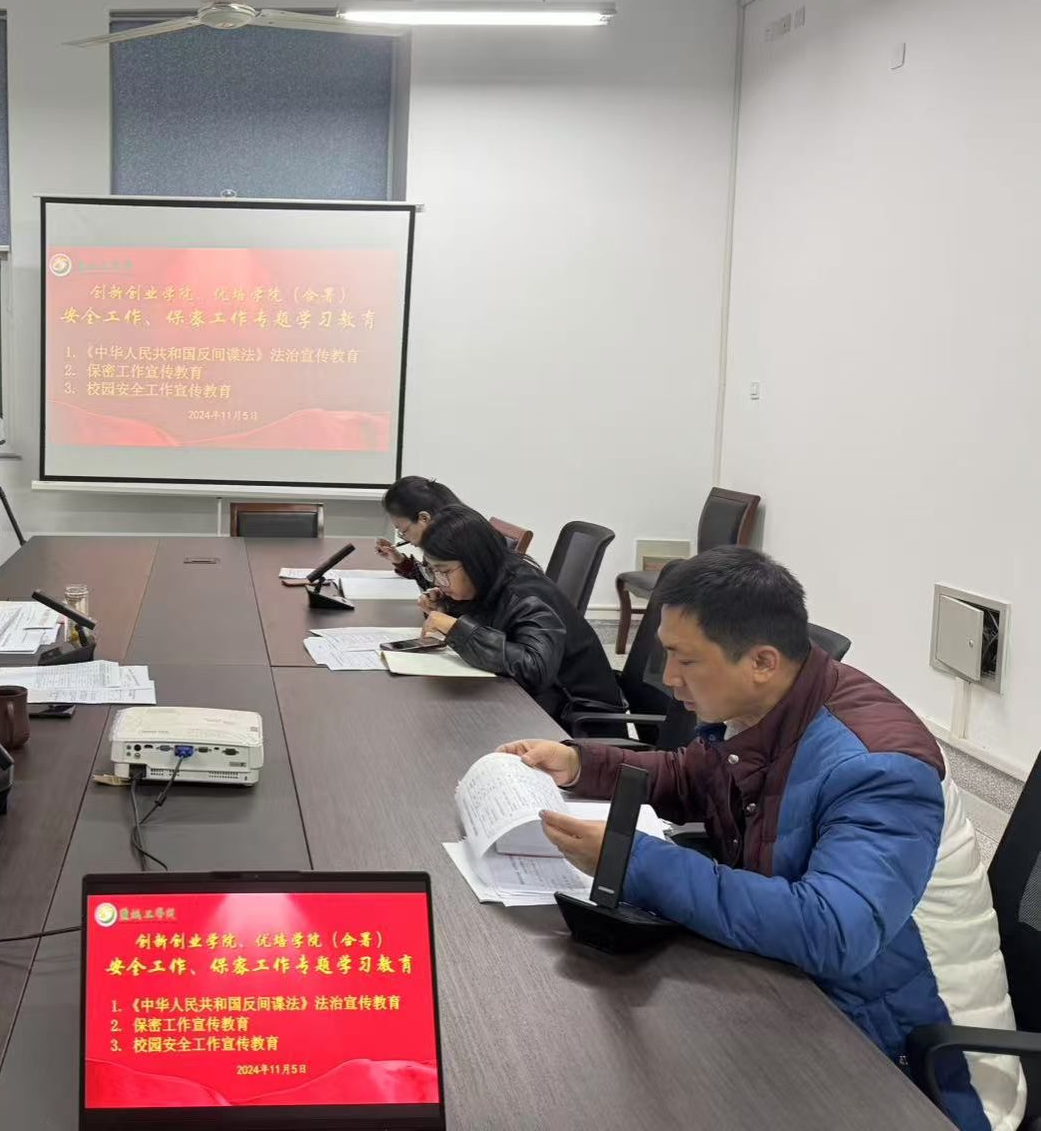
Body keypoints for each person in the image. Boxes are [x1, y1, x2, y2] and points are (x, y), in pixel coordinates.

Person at [501, 547, 1023, 1131]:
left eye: (685, 659)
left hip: (922, 1071)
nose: (667, 677)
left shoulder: (878, 769)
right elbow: (692, 777)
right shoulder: (770, 708)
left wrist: (634, 862)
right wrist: (580, 764)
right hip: (807, 995)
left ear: (762, 662)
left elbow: (833, 930)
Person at [417, 504, 624, 725]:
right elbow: (494, 623)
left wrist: (455, 628)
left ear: (475, 562)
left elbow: (534, 669)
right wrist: (446, 608)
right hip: (542, 704)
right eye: (432, 571)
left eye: (444, 571)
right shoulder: (492, 579)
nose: (438, 580)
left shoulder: (526, 592)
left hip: (576, 719)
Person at [376, 475, 463, 590]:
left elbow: (445, 590)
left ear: (424, 518)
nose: (405, 538)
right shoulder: (443, 541)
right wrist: (400, 561)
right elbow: (431, 583)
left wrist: (438, 601)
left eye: (403, 531)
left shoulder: (458, 551)